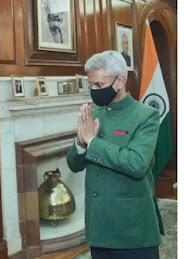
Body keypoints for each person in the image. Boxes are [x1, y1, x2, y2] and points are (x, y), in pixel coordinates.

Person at [66, 50, 164, 258]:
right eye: (90, 85)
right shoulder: (95, 114)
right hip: (99, 228)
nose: (94, 90)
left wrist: (92, 142)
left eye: (99, 85)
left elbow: (137, 163)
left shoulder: (146, 116)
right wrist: (81, 144)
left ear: (120, 81)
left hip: (132, 231)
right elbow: (73, 165)